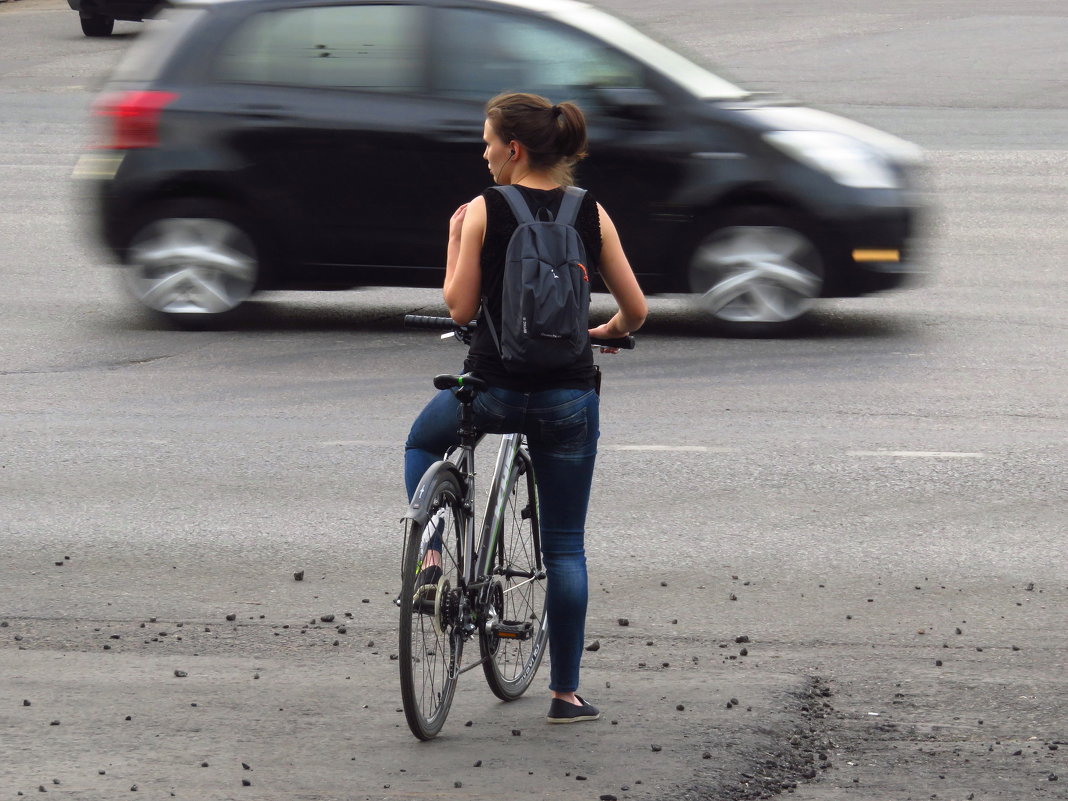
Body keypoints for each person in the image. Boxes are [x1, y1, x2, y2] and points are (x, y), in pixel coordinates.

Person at [404, 92, 647, 724]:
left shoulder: (482, 210)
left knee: (422, 444)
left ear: (514, 148)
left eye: (487, 142)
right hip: (568, 394)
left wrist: (455, 236)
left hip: (491, 389)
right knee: (566, 547)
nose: (483, 153)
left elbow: (459, 310)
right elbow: (637, 310)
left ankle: (432, 558)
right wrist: (603, 333)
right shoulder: (590, 211)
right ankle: (565, 694)